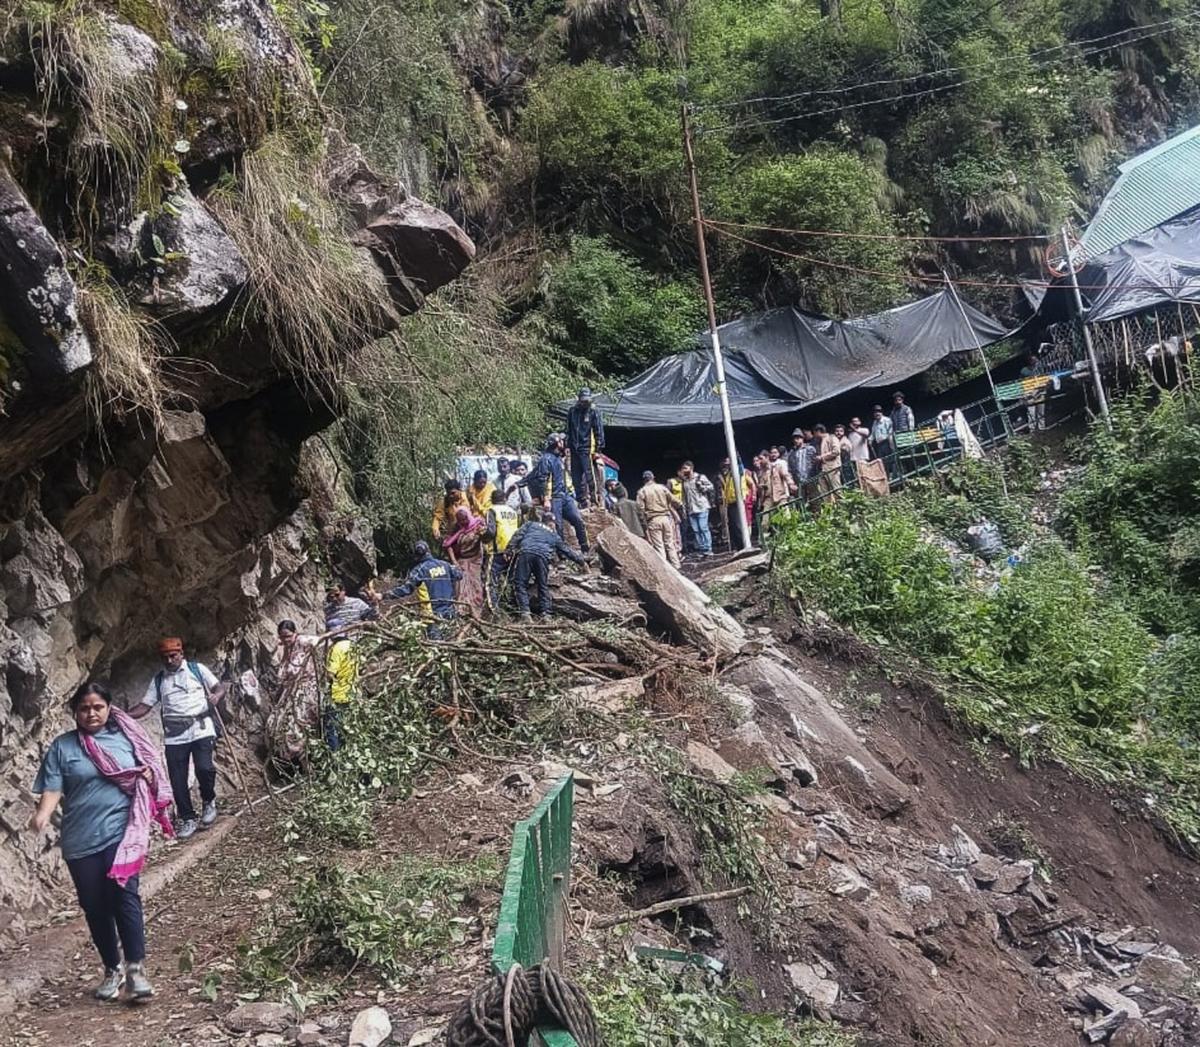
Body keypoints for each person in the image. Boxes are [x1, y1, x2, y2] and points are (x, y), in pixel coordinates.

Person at [31, 682, 172, 1001]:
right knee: (94, 906)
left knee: (125, 894)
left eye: (98, 707)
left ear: (109, 708)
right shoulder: (63, 747)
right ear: (75, 712)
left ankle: (136, 970)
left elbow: (150, 769)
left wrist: (149, 778)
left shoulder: (127, 738)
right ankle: (112, 969)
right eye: (84, 708)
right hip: (80, 839)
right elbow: (52, 788)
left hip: (122, 833)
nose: (91, 713)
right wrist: (42, 815)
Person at [127, 638, 224, 841]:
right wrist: (121, 715)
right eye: (165, 657)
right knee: (178, 780)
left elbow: (219, 687)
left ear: (181, 654)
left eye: (173, 656)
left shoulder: (197, 670)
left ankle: (209, 801)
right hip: (175, 736)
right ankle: (188, 818)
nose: (170, 660)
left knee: (205, 768)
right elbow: (145, 707)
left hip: (201, 728)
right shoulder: (159, 680)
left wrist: (216, 696)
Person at [508, 511, 587, 619]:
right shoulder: (554, 535)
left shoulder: (530, 524)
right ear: (551, 523)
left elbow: (517, 536)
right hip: (542, 557)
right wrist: (581, 562)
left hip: (526, 553)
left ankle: (525, 613)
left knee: (520, 583)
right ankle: (546, 614)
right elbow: (566, 550)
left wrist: (509, 550)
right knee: (542, 585)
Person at [521, 434, 589, 553]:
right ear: (557, 443)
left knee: (578, 520)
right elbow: (542, 479)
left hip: (564, 495)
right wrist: (546, 499)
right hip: (554, 497)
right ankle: (561, 554)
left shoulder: (558, 458)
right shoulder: (546, 459)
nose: (564, 443)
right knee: (558, 526)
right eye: (561, 441)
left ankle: (585, 549)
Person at [385, 540, 463, 638]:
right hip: (450, 612)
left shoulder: (419, 570)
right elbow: (459, 575)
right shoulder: (445, 565)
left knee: (436, 645)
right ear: (429, 551)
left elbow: (406, 589)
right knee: (452, 641)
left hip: (432, 616)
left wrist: (384, 595)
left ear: (416, 555)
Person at [267, 620, 320, 760]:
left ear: (295, 633)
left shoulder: (303, 641)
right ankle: (284, 758)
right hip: (290, 690)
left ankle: (302, 755)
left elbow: (322, 641)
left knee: (295, 725)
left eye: (288, 636)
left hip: (305, 690)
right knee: (275, 723)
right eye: (282, 637)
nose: (285, 639)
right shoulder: (286, 648)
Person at [442, 505, 486, 617]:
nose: (463, 522)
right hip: (462, 560)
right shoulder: (457, 529)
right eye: (460, 520)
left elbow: (486, 537)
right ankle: (462, 612)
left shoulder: (478, 525)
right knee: (461, 586)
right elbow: (448, 545)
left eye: (465, 519)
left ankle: (476, 613)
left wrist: (481, 533)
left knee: (475, 585)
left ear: (469, 516)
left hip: (475, 560)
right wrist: (454, 561)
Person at [565, 388, 605, 508]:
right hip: (574, 448)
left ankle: (595, 499)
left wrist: (598, 449)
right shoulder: (572, 411)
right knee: (576, 477)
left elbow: (598, 431)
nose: (584, 403)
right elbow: (568, 429)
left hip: (587, 448)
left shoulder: (593, 412)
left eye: (586, 401)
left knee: (590, 476)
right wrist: (567, 446)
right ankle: (581, 500)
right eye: (583, 401)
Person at [482, 488, 520, 610]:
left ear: (492, 500)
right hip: (513, 550)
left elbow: (491, 531)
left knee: (491, 581)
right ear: (504, 499)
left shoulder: (492, 511)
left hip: (497, 550)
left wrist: (482, 538)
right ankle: (515, 608)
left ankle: (494, 610)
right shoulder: (512, 511)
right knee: (513, 579)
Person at [636, 470, 684, 568]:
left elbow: (640, 510)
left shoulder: (642, 492)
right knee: (670, 544)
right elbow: (675, 500)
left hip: (653, 520)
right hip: (665, 518)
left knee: (659, 546)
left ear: (643, 480)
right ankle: (676, 565)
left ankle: (665, 569)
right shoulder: (662, 488)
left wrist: (644, 524)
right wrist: (680, 505)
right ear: (653, 478)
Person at [678, 461, 715, 557]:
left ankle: (708, 548)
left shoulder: (700, 477)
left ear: (691, 468)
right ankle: (702, 549)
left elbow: (711, 486)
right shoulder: (685, 481)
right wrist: (684, 508)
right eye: (683, 469)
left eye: (685, 468)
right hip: (691, 508)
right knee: (696, 530)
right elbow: (685, 496)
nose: (683, 470)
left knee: (703, 527)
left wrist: (702, 487)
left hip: (701, 506)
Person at [719, 458, 754, 550]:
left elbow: (740, 465)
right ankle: (739, 546)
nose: (726, 464)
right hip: (730, 502)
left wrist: (736, 457)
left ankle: (744, 545)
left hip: (737, 501)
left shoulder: (739, 471)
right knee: (733, 526)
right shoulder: (728, 474)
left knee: (739, 525)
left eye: (728, 462)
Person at [814, 424, 842, 507]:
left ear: (818, 431)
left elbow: (836, 451)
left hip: (832, 468)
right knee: (825, 494)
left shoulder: (831, 438)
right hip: (822, 470)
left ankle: (843, 508)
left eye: (815, 433)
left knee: (837, 490)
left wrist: (822, 457)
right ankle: (830, 510)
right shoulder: (819, 442)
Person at [1020, 352, 1047, 431]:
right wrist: (1024, 394)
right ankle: (1032, 429)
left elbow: (1043, 380)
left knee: (1041, 412)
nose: (1035, 362)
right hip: (1030, 394)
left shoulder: (1040, 369)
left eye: (1036, 360)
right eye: (1033, 360)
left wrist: (1042, 389)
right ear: (1029, 361)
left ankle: (1042, 427)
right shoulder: (1024, 371)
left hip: (1040, 392)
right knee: (1031, 413)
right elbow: (1022, 383)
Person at [869, 404, 895, 475]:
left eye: (879, 412)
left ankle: (893, 475)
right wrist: (870, 439)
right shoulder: (875, 422)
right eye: (875, 412)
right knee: (882, 462)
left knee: (890, 460)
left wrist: (885, 438)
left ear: (881, 412)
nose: (877, 413)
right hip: (879, 445)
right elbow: (873, 433)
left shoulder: (887, 420)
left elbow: (890, 432)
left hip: (887, 443)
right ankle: (887, 476)